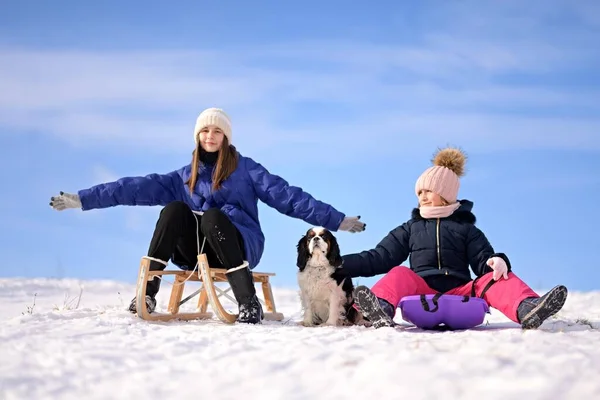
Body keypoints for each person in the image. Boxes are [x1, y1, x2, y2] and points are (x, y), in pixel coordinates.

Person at [49, 107, 366, 324]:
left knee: (213, 215)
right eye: (204, 130)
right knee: (174, 209)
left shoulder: (246, 169)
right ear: (197, 136)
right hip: (196, 251)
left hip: (238, 244)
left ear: (226, 136)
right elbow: (133, 188)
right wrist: (83, 199)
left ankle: (247, 301)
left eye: (217, 130)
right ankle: (147, 296)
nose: (210, 135)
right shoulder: (183, 176)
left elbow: (288, 197)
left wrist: (337, 220)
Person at [341, 147, 567, 330]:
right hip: (422, 295)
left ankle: (528, 307)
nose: (422, 197)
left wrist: (496, 261)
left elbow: (483, 262)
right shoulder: (411, 229)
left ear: (445, 194)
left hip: (461, 295)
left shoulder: (467, 230)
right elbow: (380, 257)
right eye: (419, 193)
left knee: (495, 278)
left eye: (428, 191)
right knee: (400, 273)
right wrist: (338, 264)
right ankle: (380, 309)